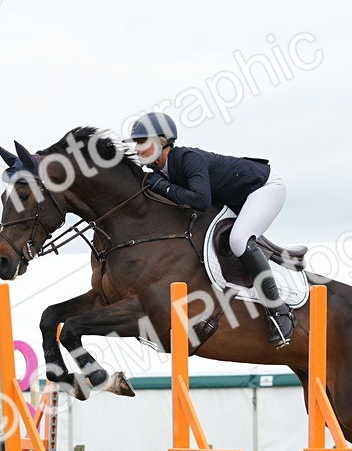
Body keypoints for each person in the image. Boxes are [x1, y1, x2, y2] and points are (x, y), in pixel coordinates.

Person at [126, 112, 295, 348]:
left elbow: (200, 200)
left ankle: (278, 309)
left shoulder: (187, 158)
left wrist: (164, 188)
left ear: (161, 142)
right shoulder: (160, 171)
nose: (136, 148)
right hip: (238, 199)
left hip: (264, 189)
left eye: (141, 142)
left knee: (238, 240)